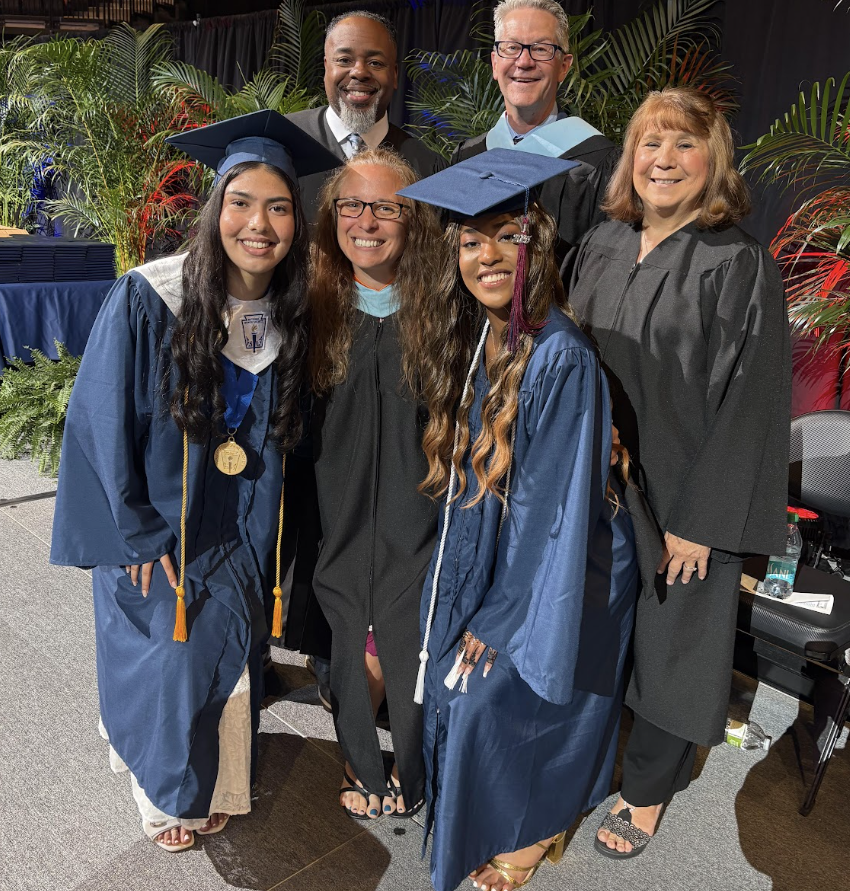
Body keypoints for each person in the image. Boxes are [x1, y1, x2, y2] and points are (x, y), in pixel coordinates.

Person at [50, 111, 332, 851]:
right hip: (162, 522)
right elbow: (99, 421)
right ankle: (164, 794)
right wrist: (134, 527)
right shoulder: (152, 296)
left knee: (228, 654)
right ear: (215, 210)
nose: (259, 224)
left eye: (278, 207)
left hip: (241, 521)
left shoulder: (287, 312)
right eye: (242, 203)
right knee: (170, 659)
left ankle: (216, 784)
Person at [398, 149, 640, 891]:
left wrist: (499, 615)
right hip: (514, 549)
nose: (486, 256)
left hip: (567, 562)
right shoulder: (492, 336)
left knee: (494, 695)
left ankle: (529, 832)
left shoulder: (558, 354)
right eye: (470, 242)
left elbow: (551, 508)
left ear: (536, 243)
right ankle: (489, 818)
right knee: (455, 685)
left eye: (506, 235)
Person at [566, 87, 792, 858]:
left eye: (683, 145)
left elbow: (753, 401)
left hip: (686, 488)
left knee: (675, 640)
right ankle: (585, 757)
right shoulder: (599, 242)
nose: (663, 160)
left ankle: (648, 789)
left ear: (713, 161)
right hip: (595, 479)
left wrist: (703, 517)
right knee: (592, 626)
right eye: (648, 144)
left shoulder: (737, 262)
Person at [308, 147, 440, 820]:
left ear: (414, 219)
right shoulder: (313, 303)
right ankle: (362, 764)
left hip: (419, 503)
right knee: (342, 617)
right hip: (336, 497)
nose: (366, 219)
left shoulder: (444, 307)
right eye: (351, 205)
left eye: (386, 206)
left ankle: (412, 773)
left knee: (406, 627)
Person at [451, 0, 619, 263]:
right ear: (495, 63)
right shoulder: (467, 158)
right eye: (511, 47)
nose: (524, 62)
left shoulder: (598, 163)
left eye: (541, 49)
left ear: (564, 67)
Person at [286, 10, 441, 222]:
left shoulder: (426, 167)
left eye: (375, 63)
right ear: (326, 68)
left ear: (394, 75)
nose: (359, 72)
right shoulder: (285, 141)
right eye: (344, 60)